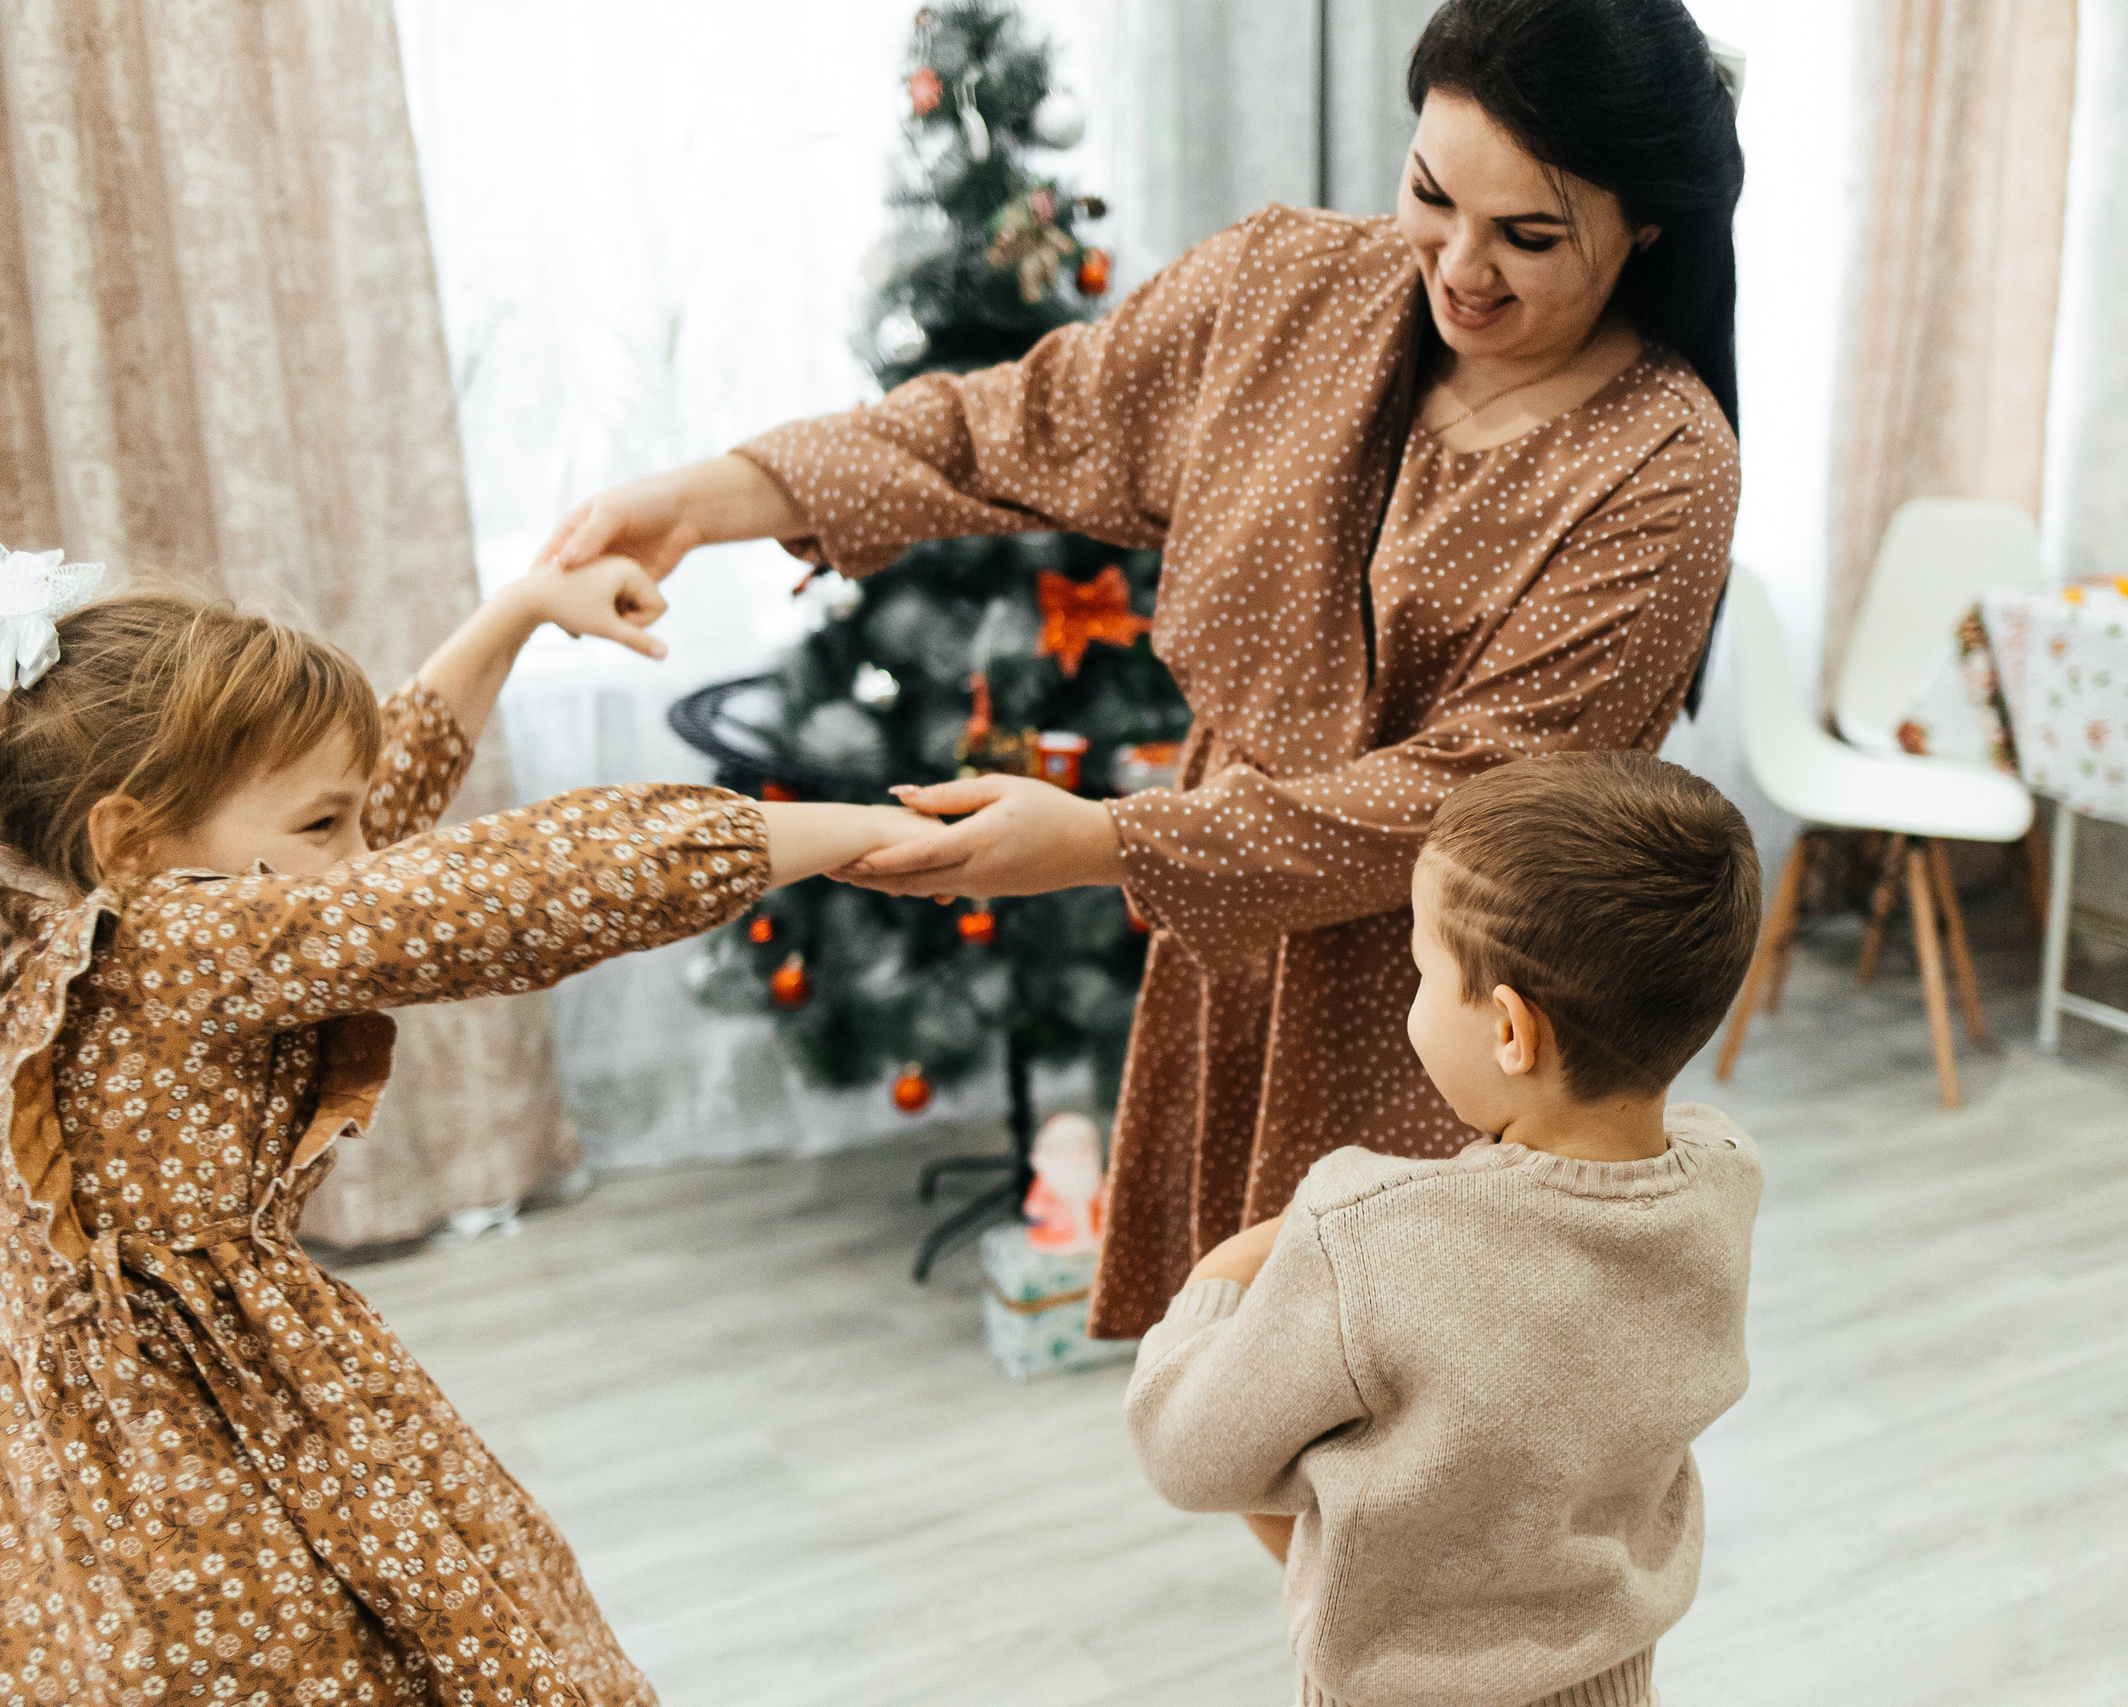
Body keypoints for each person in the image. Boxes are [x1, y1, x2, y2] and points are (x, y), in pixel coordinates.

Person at [540, 0, 1746, 1339]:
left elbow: (1466, 798)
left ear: (1645, 226)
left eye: (1529, 236)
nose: (1460, 266)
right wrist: (713, 495)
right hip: (1232, 953)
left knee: (1407, 1391)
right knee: (1227, 1368)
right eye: (1430, 195)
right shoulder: (1289, 288)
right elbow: (1026, 420)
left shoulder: (1664, 465)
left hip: (1465, 998)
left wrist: (1103, 842)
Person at [0, 548, 934, 1705]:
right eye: (327, 826)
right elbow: (499, 889)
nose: (362, 855)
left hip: (96, 1467)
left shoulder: (65, 933)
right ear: (132, 841)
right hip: (216, 1454)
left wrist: (518, 613)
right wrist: (839, 831)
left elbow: (363, 821)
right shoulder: (186, 944)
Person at [1122, 750, 1765, 1707]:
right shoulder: (1726, 1174)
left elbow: (1183, 1448)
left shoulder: (1369, 1239)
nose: (1412, 996)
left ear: (1511, 1030)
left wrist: (1222, 1268)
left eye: (1423, 969)